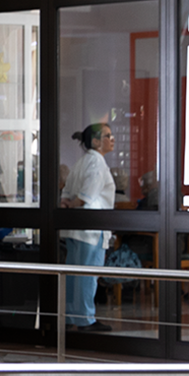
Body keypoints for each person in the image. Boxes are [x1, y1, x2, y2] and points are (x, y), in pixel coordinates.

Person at [58, 122, 117, 332]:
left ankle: (69, 317)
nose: (112, 139)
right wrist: (76, 203)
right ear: (96, 141)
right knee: (87, 275)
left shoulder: (80, 162)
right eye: (108, 136)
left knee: (73, 274)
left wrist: (69, 203)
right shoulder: (97, 163)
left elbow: (66, 194)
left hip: (76, 229)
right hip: (91, 229)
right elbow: (86, 196)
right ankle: (85, 319)